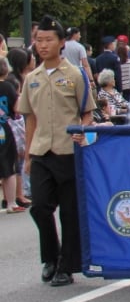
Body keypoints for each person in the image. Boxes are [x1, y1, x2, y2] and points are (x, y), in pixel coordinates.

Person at [19, 16, 95, 286]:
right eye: (39, 40)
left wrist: (80, 131)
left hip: (68, 151)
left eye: (49, 40)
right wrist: (27, 155)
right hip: (42, 151)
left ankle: (67, 265)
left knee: (70, 212)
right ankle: (50, 256)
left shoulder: (74, 75)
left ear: (62, 43)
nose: (43, 45)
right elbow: (30, 118)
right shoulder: (32, 79)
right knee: (39, 207)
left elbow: (87, 113)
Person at [0, 57, 26, 213]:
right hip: (3, 128)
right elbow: (17, 108)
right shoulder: (8, 87)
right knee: (8, 164)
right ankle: (11, 203)